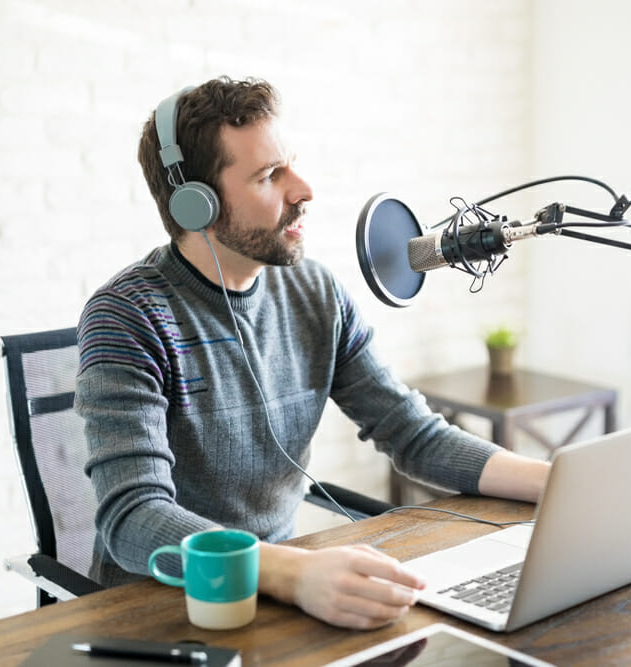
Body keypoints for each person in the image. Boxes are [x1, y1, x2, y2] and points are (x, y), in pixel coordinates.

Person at [75, 76, 551, 630]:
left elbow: (411, 432)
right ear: (196, 205)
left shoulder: (315, 293)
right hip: (166, 610)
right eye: (268, 175)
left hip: (283, 591)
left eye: (291, 164)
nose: (303, 189)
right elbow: (134, 519)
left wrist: (561, 484)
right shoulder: (128, 315)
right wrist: (295, 573)